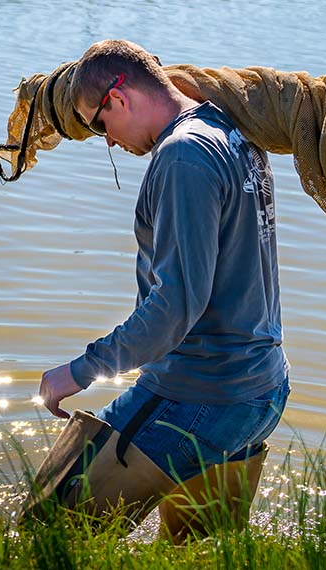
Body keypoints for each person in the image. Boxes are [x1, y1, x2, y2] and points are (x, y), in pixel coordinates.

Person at [34, 39, 289, 538]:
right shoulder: (232, 130)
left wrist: (82, 370)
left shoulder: (182, 158)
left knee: (48, 531)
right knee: (194, 553)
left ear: (119, 98)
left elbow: (175, 305)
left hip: (198, 395)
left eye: (97, 123)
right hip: (260, 392)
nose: (106, 140)